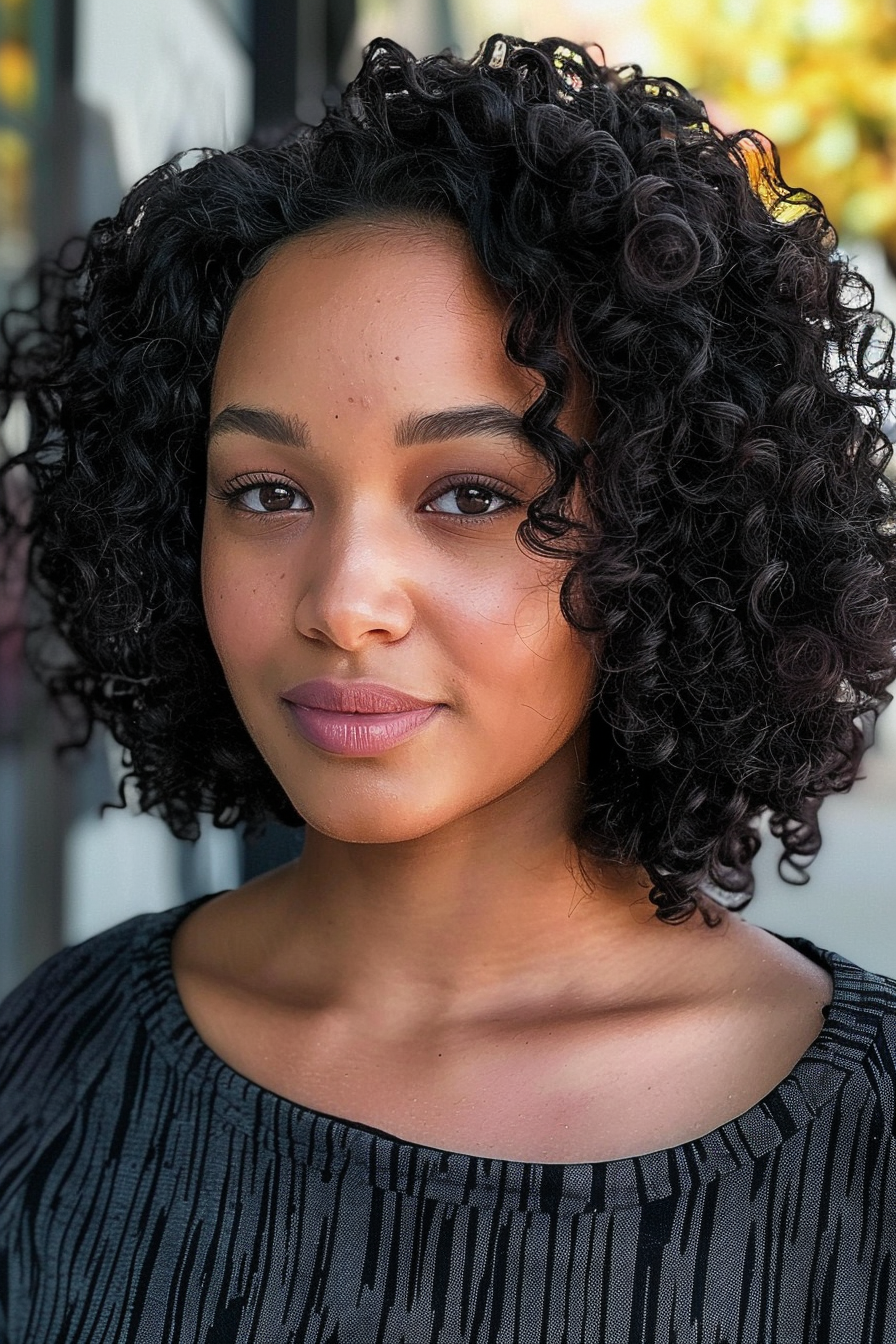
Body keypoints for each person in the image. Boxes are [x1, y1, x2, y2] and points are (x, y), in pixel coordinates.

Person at [1, 31, 895, 1343]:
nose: (344, 597)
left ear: (668, 528)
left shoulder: (868, 1149)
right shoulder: (50, 1074)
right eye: (266, 492)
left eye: (472, 495)